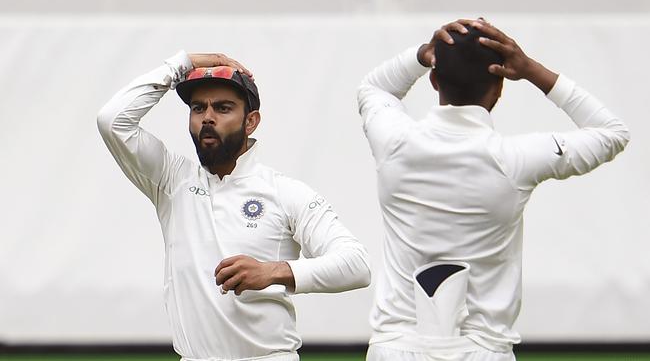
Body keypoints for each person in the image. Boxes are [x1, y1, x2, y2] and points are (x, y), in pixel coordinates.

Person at [357, 19, 630, 361]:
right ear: (500, 86)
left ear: (434, 79)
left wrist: (422, 54)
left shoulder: (393, 140)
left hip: (394, 349)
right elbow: (612, 132)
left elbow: (374, 89)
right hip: (482, 351)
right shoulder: (517, 159)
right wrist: (531, 69)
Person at [97, 51, 371, 361]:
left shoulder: (283, 192)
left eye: (223, 108)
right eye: (198, 108)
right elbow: (113, 120)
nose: (208, 117)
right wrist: (184, 62)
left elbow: (356, 265)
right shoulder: (173, 181)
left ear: (251, 121)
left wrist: (273, 272)